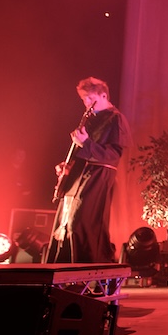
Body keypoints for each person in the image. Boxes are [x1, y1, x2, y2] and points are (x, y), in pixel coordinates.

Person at [46, 77, 132, 263]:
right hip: (78, 177)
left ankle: (85, 271)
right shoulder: (89, 119)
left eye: (89, 98)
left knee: (82, 224)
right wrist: (67, 165)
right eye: (83, 99)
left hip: (97, 177)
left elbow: (113, 155)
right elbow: (81, 152)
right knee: (65, 222)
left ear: (103, 95)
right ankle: (60, 273)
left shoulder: (116, 119)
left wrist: (85, 143)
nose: (86, 103)